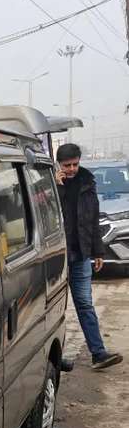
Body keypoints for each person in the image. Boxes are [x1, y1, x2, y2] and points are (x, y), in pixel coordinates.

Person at [55, 142, 122, 370]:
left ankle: (98, 353)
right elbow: (46, 209)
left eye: (75, 164)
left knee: (84, 304)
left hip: (81, 255)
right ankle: (54, 357)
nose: (71, 169)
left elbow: (92, 220)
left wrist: (98, 251)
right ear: (59, 164)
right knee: (55, 308)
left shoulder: (87, 183)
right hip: (57, 258)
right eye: (67, 165)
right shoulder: (50, 183)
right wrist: (57, 187)